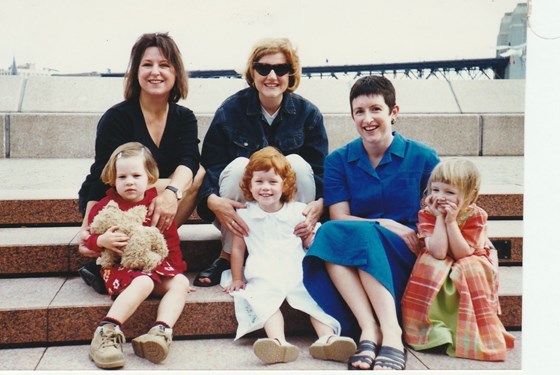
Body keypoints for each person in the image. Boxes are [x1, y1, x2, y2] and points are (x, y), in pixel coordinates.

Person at [302, 75, 440, 370]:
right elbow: (339, 216)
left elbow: (436, 218)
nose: (368, 119)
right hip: (363, 249)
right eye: (359, 112)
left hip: (406, 255)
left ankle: (392, 332)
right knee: (334, 231)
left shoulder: (424, 157)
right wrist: (386, 223)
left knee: (355, 232)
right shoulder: (339, 160)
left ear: (394, 112)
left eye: (376, 109)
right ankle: (370, 328)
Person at [194, 37, 328, 287]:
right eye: (263, 68)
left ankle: (299, 247)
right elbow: (212, 165)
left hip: (287, 216)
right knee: (239, 167)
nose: (272, 76)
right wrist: (212, 200)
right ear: (252, 73)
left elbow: (319, 170)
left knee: (296, 163)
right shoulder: (230, 110)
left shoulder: (308, 114)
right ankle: (227, 253)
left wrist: (321, 203)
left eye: (281, 68)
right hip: (242, 212)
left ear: (291, 74)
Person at [77, 32, 203, 294]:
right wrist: (88, 229)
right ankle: (118, 261)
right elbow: (103, 174)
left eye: (164, 65)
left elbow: (189, 160)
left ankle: (150, 251)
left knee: (198, 173)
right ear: (136, 72)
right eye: (147, 64)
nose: (155, 72)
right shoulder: (117, 117)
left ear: (176, 73)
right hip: (116, 198)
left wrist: (171, 193)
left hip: (155, 197)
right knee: (157, 182)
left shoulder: (184, 118)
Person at [221, 147, 356, 364]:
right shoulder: (245, 213)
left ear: (285, 185)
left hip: (296, 267)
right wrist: (238, 277)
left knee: (312, 298)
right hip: (263, 270)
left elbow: (308, 242)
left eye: (273, 182)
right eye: (259, 182)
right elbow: (238, 249)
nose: (266, 188)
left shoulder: (298, 211)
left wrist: (307, 237)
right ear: (249, 184)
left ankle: (328, 339)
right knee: (266, 300)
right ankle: (278, 343)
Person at [85, 142, 191, 369]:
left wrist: (175, 270)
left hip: (153, 266)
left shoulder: (156, 206)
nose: (130, 181)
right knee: (143, 281)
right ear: (113, 179)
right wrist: (101, 241)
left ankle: (160, 332)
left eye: (136, 175)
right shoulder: (106, 207)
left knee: (180, 281)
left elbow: (169, 243)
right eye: (122, 177)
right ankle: (106, 331)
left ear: (150, 178)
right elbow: (89, 240)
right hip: (118, 269)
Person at [401, 158, 515, 361]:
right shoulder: (427, 213)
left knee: (469, 268)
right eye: (435, 190)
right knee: (430, 264)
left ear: (470, 196)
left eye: (449, 192)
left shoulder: (476, 215)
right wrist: (439, 218)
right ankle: (433, 331)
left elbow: (463, 253)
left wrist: (451, 221)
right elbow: (438, 251)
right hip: (440, 252)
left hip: (469, 255)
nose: (440, 197)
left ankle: (465, 333)